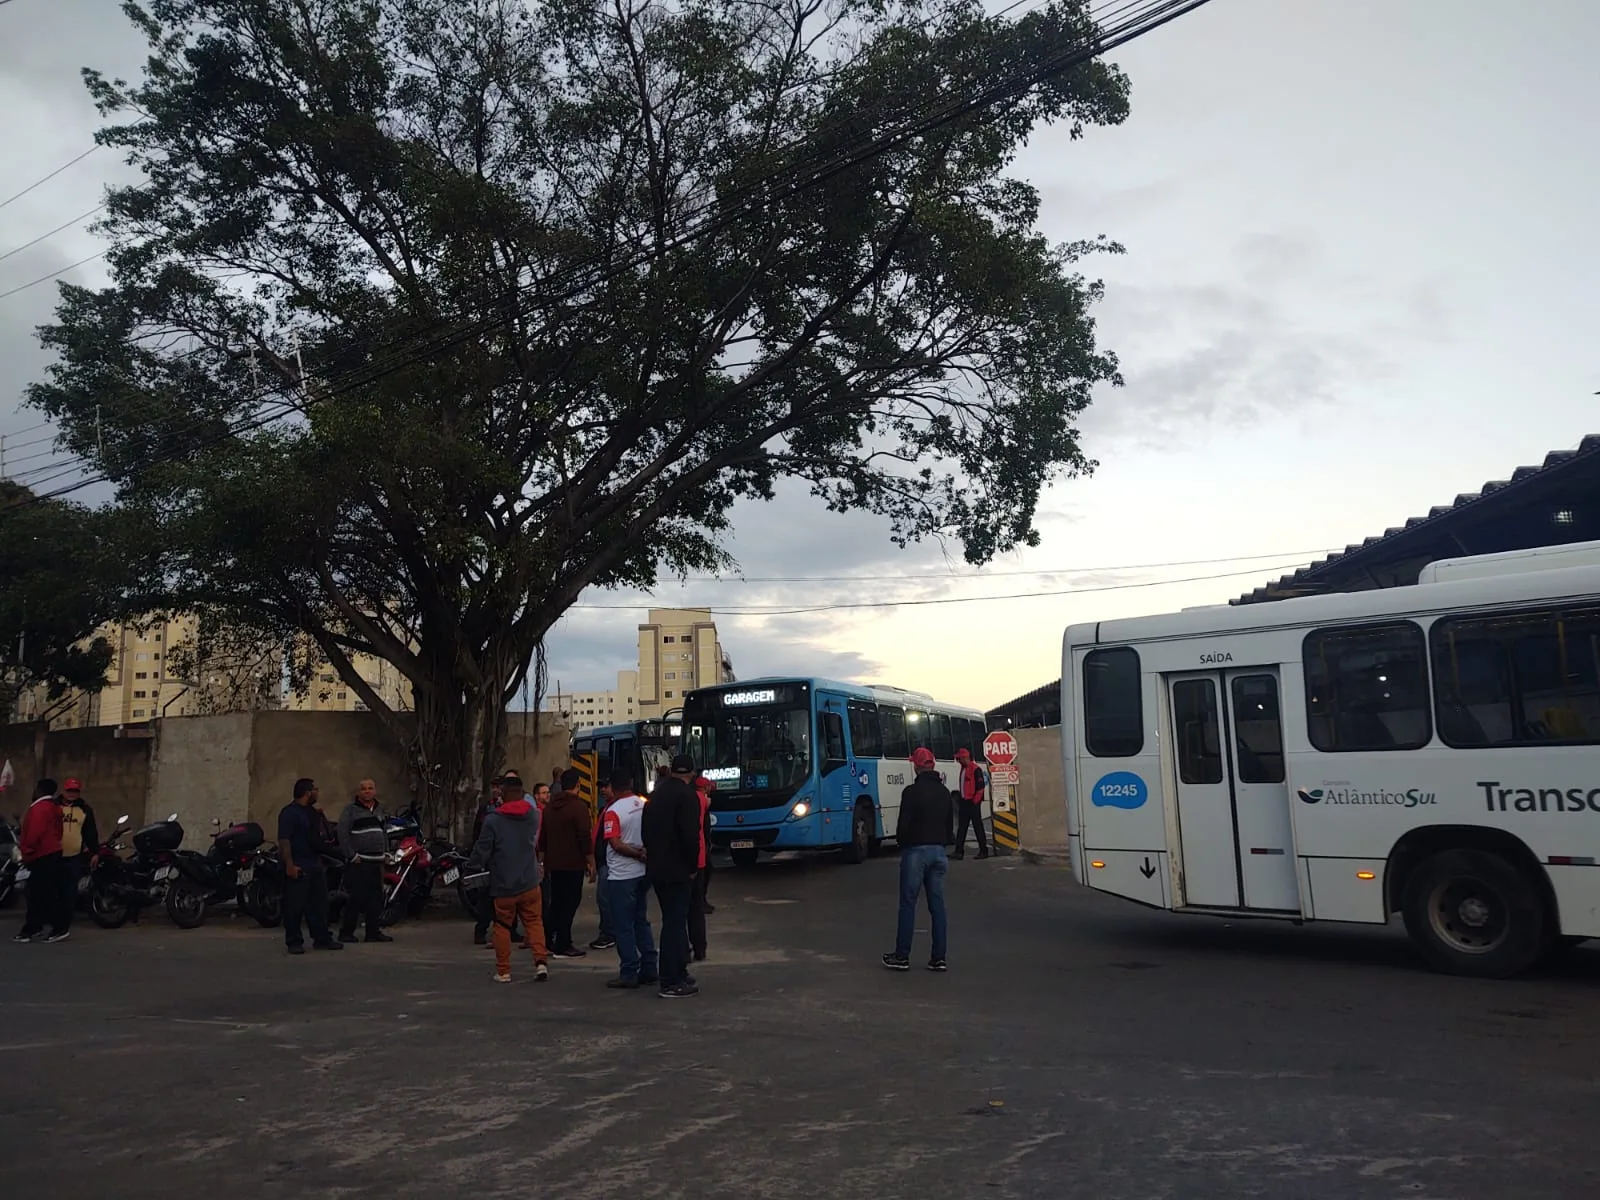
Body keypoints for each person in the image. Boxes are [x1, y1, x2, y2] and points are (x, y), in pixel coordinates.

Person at [465, 769, 549, 983]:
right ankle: (540, 963)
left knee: (502, 926)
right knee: (534, 922)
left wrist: (471, 868)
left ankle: (504, 971)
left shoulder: (493, 820)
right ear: (522, 793)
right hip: (530, 881)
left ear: (503, 793)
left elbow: (482, 850)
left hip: (504, 883)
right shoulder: (532, 815)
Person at [883, 748, 952, 973]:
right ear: (932, 765)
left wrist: (904, 845)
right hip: (939, 853)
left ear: (916, 766)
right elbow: (950, 828)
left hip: (916, 852)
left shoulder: (911, 792)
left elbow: (903, 826)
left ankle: (902, 956)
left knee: (908, 904)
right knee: (937, 906)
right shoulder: (944, 793)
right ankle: (939, 958)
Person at [642, 754, 702, 998]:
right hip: (678, 869)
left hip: (657, 868)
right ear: (692, 772)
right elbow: (690, 836)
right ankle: (670, 979)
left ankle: (679, 970)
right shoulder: (687, 796)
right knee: (676, 924)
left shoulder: (656, 795)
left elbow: (645, 831)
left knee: (672, 920)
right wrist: (691, 866)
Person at [599, 772, 656, 989]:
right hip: (643, 873)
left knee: (623, 926)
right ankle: (650, 967)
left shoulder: (612, 812)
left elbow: (615, 844)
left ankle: (629, 971)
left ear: (613, 788)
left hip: (622, 875)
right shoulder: (643, 804)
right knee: (641, 920)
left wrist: (635, 854)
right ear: (631, 784)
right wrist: (644, 855)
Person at [278, 778, 343, 955]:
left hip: (315, 864)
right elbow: (284, 840)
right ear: (308, 792)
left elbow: (319, 837)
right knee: (295, 906)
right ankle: (294, 941)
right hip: (299, 865)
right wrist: (290, 865)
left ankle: (322, 938)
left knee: (319, 905)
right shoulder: (289, 813)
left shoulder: (312, 813)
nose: (317, 793)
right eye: (315, 789)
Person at [537, 768, 594, 957]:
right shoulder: (578, 807)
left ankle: (549, 938)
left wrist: (542, 860)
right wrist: (590, 860)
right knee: (570, 903)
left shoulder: (551, 807)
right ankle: (563, 941)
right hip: (573, 863)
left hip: (555, 863)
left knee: (557, 902)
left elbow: (543, 836)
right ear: (578, 785)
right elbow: (584, 837)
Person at [336, 778, 393, 944]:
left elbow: (383, 833)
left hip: (377, 862)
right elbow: (342, 833)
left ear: (375, 791)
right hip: (359, 862)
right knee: (355, 898)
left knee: (375, 898)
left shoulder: (380, 810)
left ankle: (373, 932)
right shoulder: (350, 810)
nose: (367, 791)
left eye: (370, 788)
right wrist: (351, 855)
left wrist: (386, 853)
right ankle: (346, 933)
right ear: (358, 792)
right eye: (364, 788)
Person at [13, 779, 65, 943]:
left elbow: (33, 833)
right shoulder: (54, 808)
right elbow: (58, 831)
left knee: (43, 893)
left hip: (41, 854)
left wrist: (26, 851)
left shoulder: (38, 809)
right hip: (51, 852)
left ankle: (57, 927)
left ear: (40, 790)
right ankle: (34, 927)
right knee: (38, 893)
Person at [57, 778, 99, 938]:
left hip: (75, 855)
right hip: (55, 854)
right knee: (54, 889)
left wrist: (95, 852)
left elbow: (90, 832)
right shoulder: (55, 807)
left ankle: (64, 923)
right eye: (69, 791)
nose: (72, 794)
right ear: (64, 791)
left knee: (69, 890)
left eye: (75, 791)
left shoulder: (85, 810)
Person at [471, 779, 503, 946]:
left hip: (503, 858)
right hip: (488, 859)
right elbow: (477, 832)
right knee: (486, 898)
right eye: (494, 787)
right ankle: (481, 930)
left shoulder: (506, 807)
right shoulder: (486, 808)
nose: (496, 790)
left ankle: (502, 933)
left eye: (499, 787)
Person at [689, 773, 715, 961]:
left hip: (684, 860)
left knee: (679, 911)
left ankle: (684, 951)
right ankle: (699, 949)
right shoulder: (702, 801)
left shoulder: (687, 799)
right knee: (695, 908)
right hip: (698, 858)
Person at [589, 779, 617, 951]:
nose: (603, 790)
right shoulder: (605, 808)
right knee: (605, 898)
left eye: (606, 787)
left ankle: (608, 933)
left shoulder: (615, 809)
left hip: (611, 861)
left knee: (605, 898)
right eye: (601, 788)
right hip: (604, 860)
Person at [952, 749, 990, 861]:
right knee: (962, 828)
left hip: (972, 802)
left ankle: (983, 850)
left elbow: (980, 787)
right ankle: (958, 851)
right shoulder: (963, 769)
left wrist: (975, 802)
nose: (958, 760)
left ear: (965, 757)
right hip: (964, 801)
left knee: (978, 827)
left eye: (959, 758)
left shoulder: (975, 769)